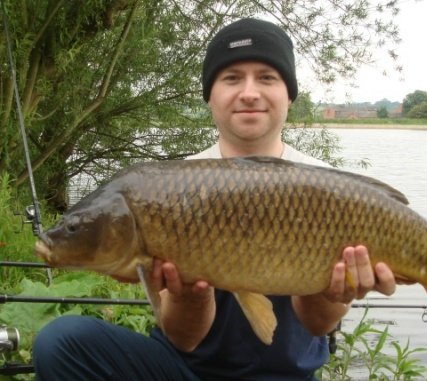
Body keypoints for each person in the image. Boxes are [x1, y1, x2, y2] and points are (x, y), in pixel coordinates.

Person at [33, 18, 396, 381]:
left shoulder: (331, 189)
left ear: (289, 94)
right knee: (60, 342)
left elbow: (318, 325)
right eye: (232, 78)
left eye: (267, 77)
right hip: (186, 372)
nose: (249, 92)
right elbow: (183, 338)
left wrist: (338, 289)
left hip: (287, 375)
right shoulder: (170, 185)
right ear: (210, 94)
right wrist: (191, 293)